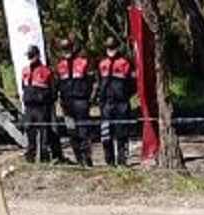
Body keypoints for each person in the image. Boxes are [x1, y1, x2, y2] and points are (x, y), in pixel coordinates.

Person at [96, 36, 134, 166]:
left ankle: (122, 161)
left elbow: (131, 84)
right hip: (106, 103)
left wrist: (125, 96)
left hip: (121, 103)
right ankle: (109, 161)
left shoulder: (125, 62)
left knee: (122, 134)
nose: (111, 50)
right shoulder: (101, 63)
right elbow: (99, 83)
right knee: (106, 135)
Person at [55, 37, 94, 166]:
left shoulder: (83, 62)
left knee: (84, 132)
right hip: (67, 104)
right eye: (63, 49)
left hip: (81, 102)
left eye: (68, 48)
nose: (66, 51)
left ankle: (87, 159)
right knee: (72, 132)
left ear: (72, 48)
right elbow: (57, 85)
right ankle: (79, 160)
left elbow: (91, 82)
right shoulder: (59, 66)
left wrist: (90, 98)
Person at [21, 45, 55, 163]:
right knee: (29, 131)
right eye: (28, 56)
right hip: (29, 107)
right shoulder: (25, 70)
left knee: (44, 132)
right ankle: (30, 156)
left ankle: (45, 157)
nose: (30, 58)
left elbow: (52, 91)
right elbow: (23, 87)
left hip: (42, 107)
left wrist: (47, 102)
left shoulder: (46, 71)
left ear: (37, 55)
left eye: (32, 55)